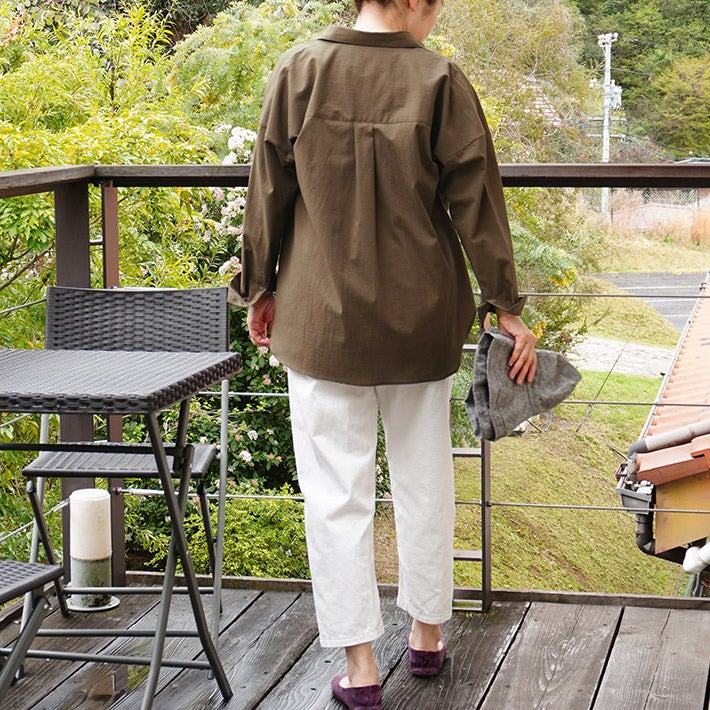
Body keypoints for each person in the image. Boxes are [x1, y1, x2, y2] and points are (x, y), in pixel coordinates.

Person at [229, 1, 537, 707]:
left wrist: (258, 287)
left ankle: (361, 669)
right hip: (420, 321)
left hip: (321, 322)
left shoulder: (300, 70)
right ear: (414, 2)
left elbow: (266, 193)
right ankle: (427, 636)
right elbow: (477, 200)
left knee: (336, 497)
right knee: (424, 481)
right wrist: (505, 303)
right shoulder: (440, 80)